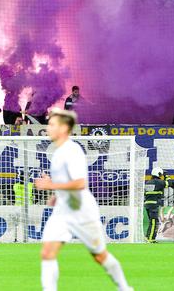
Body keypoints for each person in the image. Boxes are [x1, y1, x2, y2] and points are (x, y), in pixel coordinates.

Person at [34, 108, 132, 291]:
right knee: (47, 252)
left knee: (100, 256)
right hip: (63, 211)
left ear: (64, 128)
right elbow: (67, 181)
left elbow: (80, 183)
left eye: (52, 124)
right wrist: (57, 196)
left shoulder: (72, 151)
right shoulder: (58, 152)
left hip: (82, 212)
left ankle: (125, 288)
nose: (48, 127)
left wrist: (51, 186)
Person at [144, 166, 170, 243]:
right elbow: (169, 183)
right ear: (158, 173)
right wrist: (166, 176)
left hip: (148, 204)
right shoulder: (158, 182)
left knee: (152, 221)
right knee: (154, 221)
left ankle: (148, 237)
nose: (161, 176)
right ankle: (150, 239)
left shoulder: (148, 182)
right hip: (154, 204)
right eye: (161, 174)